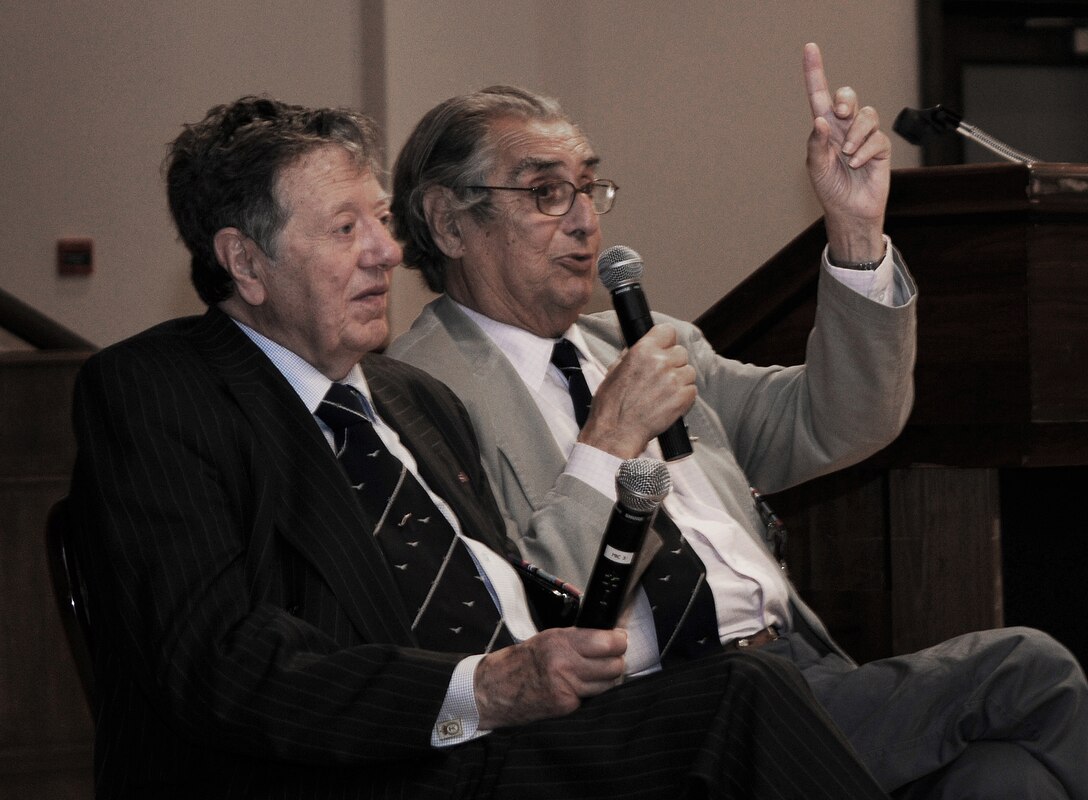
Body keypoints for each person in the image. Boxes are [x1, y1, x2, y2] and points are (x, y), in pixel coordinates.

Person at [65, 95, 893, 799]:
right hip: (393, 756)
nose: (387, 253)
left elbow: (530, 594)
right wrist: (481, 688)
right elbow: (219, 662)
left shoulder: (405, 398)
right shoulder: (163, 390)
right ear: (245, 261)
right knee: (739, 700)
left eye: (382, 223)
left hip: (529, 733)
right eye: (345, 227)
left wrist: (552, 652)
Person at [387, 43, 1088, 799]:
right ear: (449, 223)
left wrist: (854, 233)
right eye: (546, 193)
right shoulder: (418, 397)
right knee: (1028, 667)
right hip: (669, 724)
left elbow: (843, 420)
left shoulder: (646, 343)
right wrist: (610, 442)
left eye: (590, 188)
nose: (586, 221)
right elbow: (506, 621)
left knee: (1002, 775)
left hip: (799, 675)